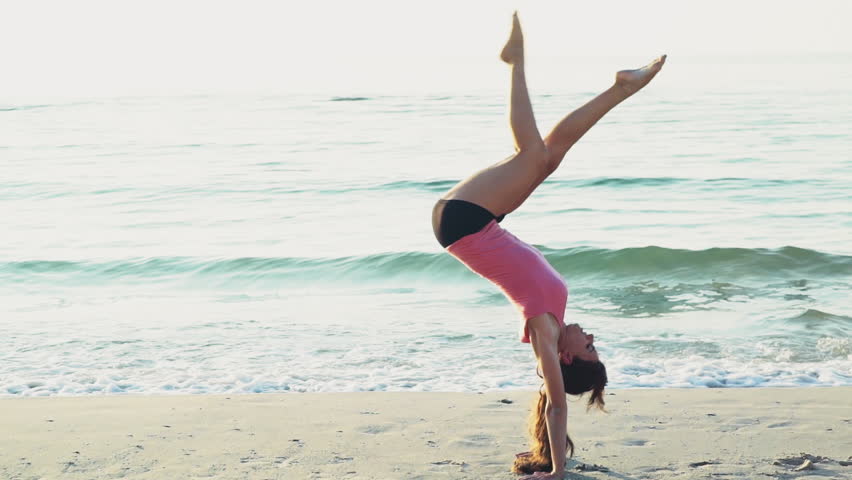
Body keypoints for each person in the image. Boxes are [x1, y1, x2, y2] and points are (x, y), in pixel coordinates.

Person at [430, 12, 666, 479]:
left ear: (567, 357)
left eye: (592, 349)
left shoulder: (543, 331)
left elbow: (556, 405)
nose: (594, 339)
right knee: (548, 157)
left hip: (465, 221)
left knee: (533, 156)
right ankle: (620, 88)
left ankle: (516, 62)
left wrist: (557, 471)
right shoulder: (553, 320)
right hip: (482, 221)